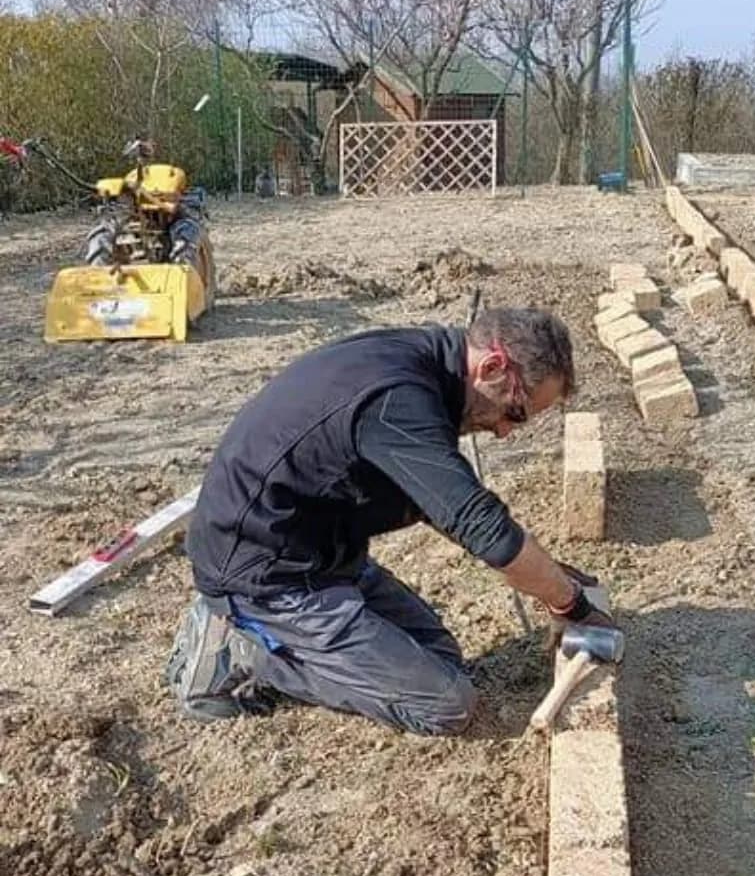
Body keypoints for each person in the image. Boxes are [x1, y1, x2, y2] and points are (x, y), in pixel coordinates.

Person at [165, 307, 615, 733]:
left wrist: (549, 577)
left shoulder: (420, 364)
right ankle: (243, 650)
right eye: (513, 412)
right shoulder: (396, 398)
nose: (502, 432)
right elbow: (481, 526)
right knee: (444, 705)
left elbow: (446, 503)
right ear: (493, 367)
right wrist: (567, 602)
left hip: (322, 551)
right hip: (266, 574)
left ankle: (287, 639)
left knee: (442, 662)